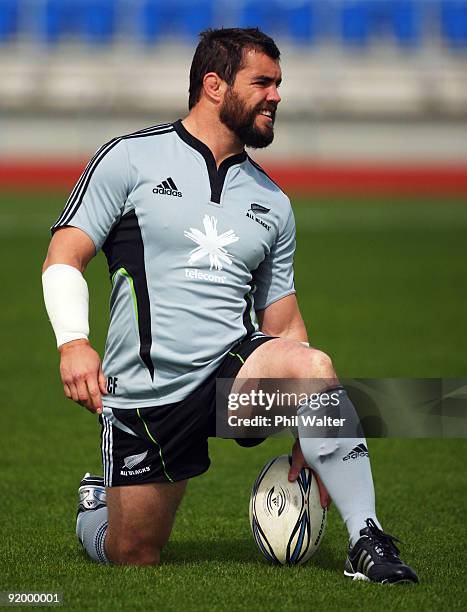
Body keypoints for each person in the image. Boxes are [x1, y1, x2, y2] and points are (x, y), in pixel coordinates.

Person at [42, 27, 417, 583]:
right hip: (146, 395)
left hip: (230, 380)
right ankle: (97, 507)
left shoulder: (273, 201)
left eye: (279, 83)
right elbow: (63, 255)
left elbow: (283, 323)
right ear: (214, 86)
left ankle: (367, 538)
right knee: (132, 552)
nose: (276, 96)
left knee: (313, 367)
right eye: (262, 82)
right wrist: (73, 341)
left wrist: (307, 429)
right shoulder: (129, 159)